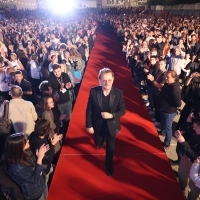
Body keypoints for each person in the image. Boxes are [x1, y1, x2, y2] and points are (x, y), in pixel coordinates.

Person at [86, 68, 126, 176]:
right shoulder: (94, 91)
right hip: (97, 124)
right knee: (98, 142)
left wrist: (112, 115)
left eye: (109, 80)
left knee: (110, 146)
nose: (106, 83)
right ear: (99, 80)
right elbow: (89, 109)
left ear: (113, 79)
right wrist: (89, 125)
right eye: (104, 80)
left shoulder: (118, 93)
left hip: (112, 125)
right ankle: (99, 142)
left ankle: (108, 164)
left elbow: (122, 110)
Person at [4, 132, 49, 200]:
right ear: (18, 146)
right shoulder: (17, 167)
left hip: (41, 183)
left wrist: (39, 155)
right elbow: (34, 179)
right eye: (26, 141)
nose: (28, 141)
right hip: (35, 192)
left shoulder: (25, 152)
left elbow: (34, 165)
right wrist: (40, 158)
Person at [175, 117, 200, 200]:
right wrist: (182, 133)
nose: (194, 128)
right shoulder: (195, 131)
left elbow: (195, 157)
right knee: (182, 173)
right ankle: (182, 190)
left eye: (196, 127)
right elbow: (189, 133)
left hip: (197, 168)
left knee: (194, 188)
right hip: (187, 158)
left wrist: (183, 143)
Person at [158, 70, 181, 149]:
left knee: (168, 128)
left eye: (168, 77)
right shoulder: (168, 84)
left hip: (169, 111)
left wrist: (167, 102)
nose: (166, 78)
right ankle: (163, 132)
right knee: (164, 123)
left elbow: (178, 103)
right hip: (163, 109)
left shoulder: (175, 89)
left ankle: (167, 142)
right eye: (166, 76)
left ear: (174, 78)